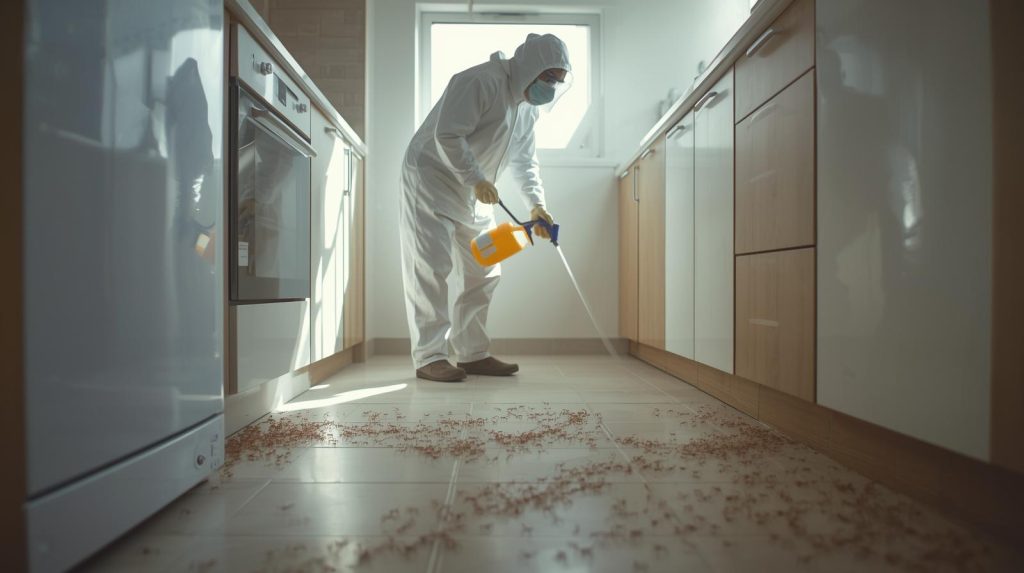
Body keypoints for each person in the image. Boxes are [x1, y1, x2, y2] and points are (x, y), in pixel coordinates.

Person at [399, 33, 571, 382]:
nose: (551, 88)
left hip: (476, 191)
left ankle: (472, 354)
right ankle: (430, 356)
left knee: (485, 267)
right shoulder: (480, 81)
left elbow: (524, 162)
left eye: (558, 81)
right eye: (548, 78)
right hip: (433, 179)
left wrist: (537, 205)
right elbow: (447, 134)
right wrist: (475, 178)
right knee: (432, 267)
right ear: (530, 67)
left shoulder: (527, 110)